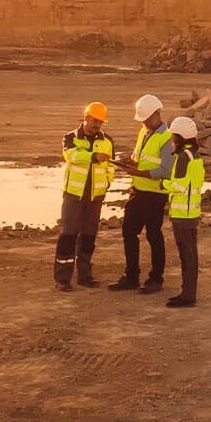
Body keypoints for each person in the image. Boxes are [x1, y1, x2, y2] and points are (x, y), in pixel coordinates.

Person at [108, 94, 173, 294]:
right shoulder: (144, 131)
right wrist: (132, 162)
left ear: (157, 114)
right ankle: (132, 276)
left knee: (154, 236)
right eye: (142, 119)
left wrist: (138, 172)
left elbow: (165, 170)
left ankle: (156, 279)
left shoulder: (167, 138)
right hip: (137, 191)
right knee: (129, 231)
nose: (144, 122)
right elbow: (142, 158)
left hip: (154, 195)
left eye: (146, 118)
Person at [54, 102, 115, 291]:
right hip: (74, 195)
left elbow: (111, 167)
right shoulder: (70, 137)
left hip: (95, 197)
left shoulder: (107, 141)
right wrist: (93, 156)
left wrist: (106, 184)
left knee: (89, 236)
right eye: (94, 120)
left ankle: (85, 275)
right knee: (69, 235)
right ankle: (62, 279)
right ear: (85, 117)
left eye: (100, 121)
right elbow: (71, 156)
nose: (97, 124)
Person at [163, 116, 205, 308]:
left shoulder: (182, 159)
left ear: (179, 137)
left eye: (173, 137)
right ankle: (188, 292)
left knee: (186, 256)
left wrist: (163, 184)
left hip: (182, 215)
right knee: (191, 255)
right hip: (192, 213)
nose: (172, 141)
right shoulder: (195, 157)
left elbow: (179, 186)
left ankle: (188, 296)